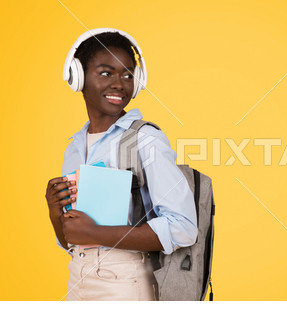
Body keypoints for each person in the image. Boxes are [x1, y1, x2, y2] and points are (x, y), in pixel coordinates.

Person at [45, 29, 198, 301]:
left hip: (124, 282)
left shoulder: (144, 139)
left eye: (128, 75)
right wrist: (54, 211)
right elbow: (72, 240)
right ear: (78, 76)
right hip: (77, 276)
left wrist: (96, 232)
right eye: (106, 73)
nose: (119, 83)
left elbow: (183, 227)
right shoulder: (75, 146)